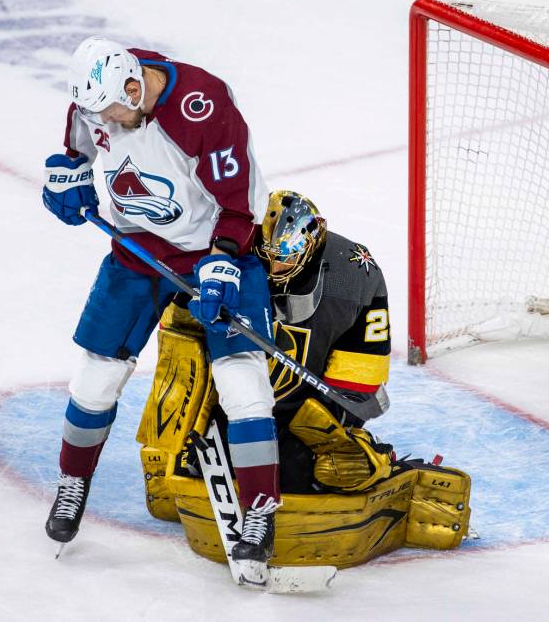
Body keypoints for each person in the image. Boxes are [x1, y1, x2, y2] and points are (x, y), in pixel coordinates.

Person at [42, 36, 280, 580]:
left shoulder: (203, 105)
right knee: (94, 378)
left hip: (218, 247)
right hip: (137, 247)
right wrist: (68, 173)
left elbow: (240, 206)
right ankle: (72, 482)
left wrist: (222, 260)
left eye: (114, 111)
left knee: (242, 380)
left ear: (134, 84)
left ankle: (261, 510)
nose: (107, 122)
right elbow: (77, 142)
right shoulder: (97, 100)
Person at [143, 190, 393, 499]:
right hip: (233, 400)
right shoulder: (220, 256)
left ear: (311, 248)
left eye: (284, 260)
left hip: (303, 412)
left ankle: (367, 452)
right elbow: (179, 349)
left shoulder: (353, 276)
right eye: (268, 256)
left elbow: (359, 379)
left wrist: (330, 431)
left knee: (300, 478)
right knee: (195, 464)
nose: (274, 269)